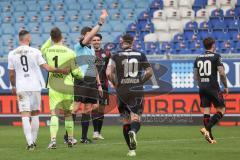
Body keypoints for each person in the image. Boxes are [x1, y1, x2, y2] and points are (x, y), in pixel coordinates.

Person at [8, 30, 69, 150]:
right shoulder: (35, 51)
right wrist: (61, 70)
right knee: (35, 112)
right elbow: (46, 67)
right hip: (35, 86)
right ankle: (34, 141)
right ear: (28, 38)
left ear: (19, 39)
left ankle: (30, 143)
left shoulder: (12, 53)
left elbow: (11, 74)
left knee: (25, 114)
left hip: (21, 87)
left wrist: (13, 86)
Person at [64, 10, 108, 144]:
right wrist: (100, 23)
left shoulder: (91, 50)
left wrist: (99, 84)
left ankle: (84, 137)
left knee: (88, 109)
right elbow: (89, 38)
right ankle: (68, 136)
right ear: (84, 36)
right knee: (76, 108)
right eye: (90, 34)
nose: (92, 37)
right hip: (81, 81)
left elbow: (93, 68)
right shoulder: (78, 47)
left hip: (91, 82)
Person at [106, 34, 153, 156]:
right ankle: (133, 131)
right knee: (135, 117)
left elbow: (108, 73)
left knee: (125, 120)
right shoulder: (140, 55)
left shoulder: (115, 55)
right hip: (136, 89)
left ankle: (131, 150)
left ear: (122, 42)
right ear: (133, 41)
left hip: (122, 90)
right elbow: (149, 72)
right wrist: (140, 81)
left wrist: (116, 83)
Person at [41, 27, 84, 149]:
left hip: (54, 85)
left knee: (54, 113)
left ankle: (53, 141)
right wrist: (81, 75)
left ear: (52, 38)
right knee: (68, 114)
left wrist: (51, 38)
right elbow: (77, 73)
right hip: (67, 86)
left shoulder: (48, 51)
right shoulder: (70, 52)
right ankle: (70, 139)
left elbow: (42, 49)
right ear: (62, 38)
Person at [194, 37, 228, 144]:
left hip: (202, 87)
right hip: (213, 87)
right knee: (221, 110)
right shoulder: (216, 56)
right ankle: (206, 129)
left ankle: (210, 138)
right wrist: (225, 86)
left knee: (206, 111)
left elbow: (195, 76)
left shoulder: (198, 58)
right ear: (213, 45)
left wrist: (201, 84)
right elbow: (221, 73)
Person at [91, 33, 111, 140]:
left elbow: (110, 69)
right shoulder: (88, 52)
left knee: (102, 109)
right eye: (94, 40)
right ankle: (94, 131)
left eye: (98, 40)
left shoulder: (107, 53)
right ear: (91, 42)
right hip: (92, 85)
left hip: (104, 84)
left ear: (101, 41)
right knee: (95, 107)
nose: (96, 42)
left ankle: (99, 132)